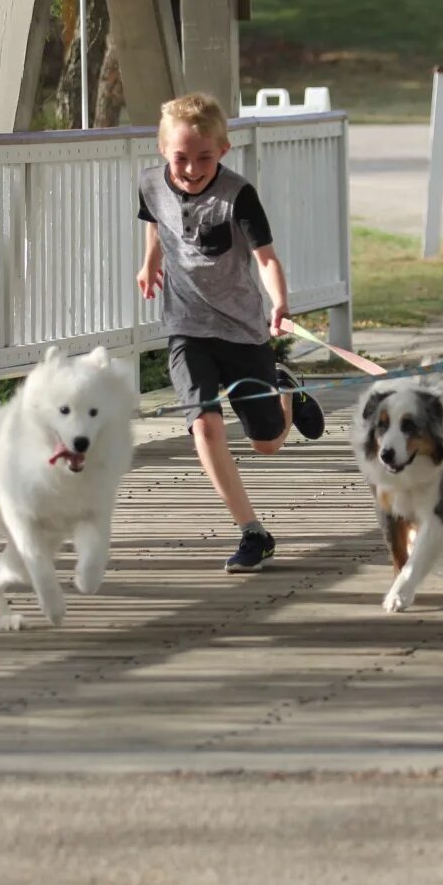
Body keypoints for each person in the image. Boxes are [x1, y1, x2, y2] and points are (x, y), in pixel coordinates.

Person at [136, 92, 326, 573]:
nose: (192, 168)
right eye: (181, 157)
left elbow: (266, 258)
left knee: (267, 442)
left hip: (242, 329)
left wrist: (280, 302)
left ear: (223, 150)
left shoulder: (238, 195)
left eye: (204, 157)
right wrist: (149, 263)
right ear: (162, 150)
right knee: (204, 422)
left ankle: (286, 386)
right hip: (186, 326)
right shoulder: (149, 184)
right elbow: (158, 223)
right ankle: (253, 532)